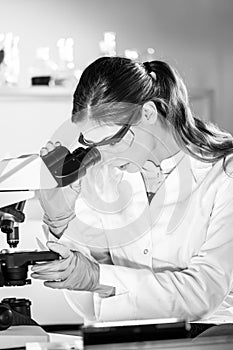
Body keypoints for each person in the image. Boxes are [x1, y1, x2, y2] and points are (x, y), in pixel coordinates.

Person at [31, 56, 233, 337]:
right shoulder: (105, 174)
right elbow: (93, 306)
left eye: (111, 140)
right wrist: (61, 219)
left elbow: (203, 293)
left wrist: (96, 277)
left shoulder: (223, 175)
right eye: (92, 143)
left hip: (211, 334)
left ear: (148, 113)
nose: (104, 154)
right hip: (126, 334)